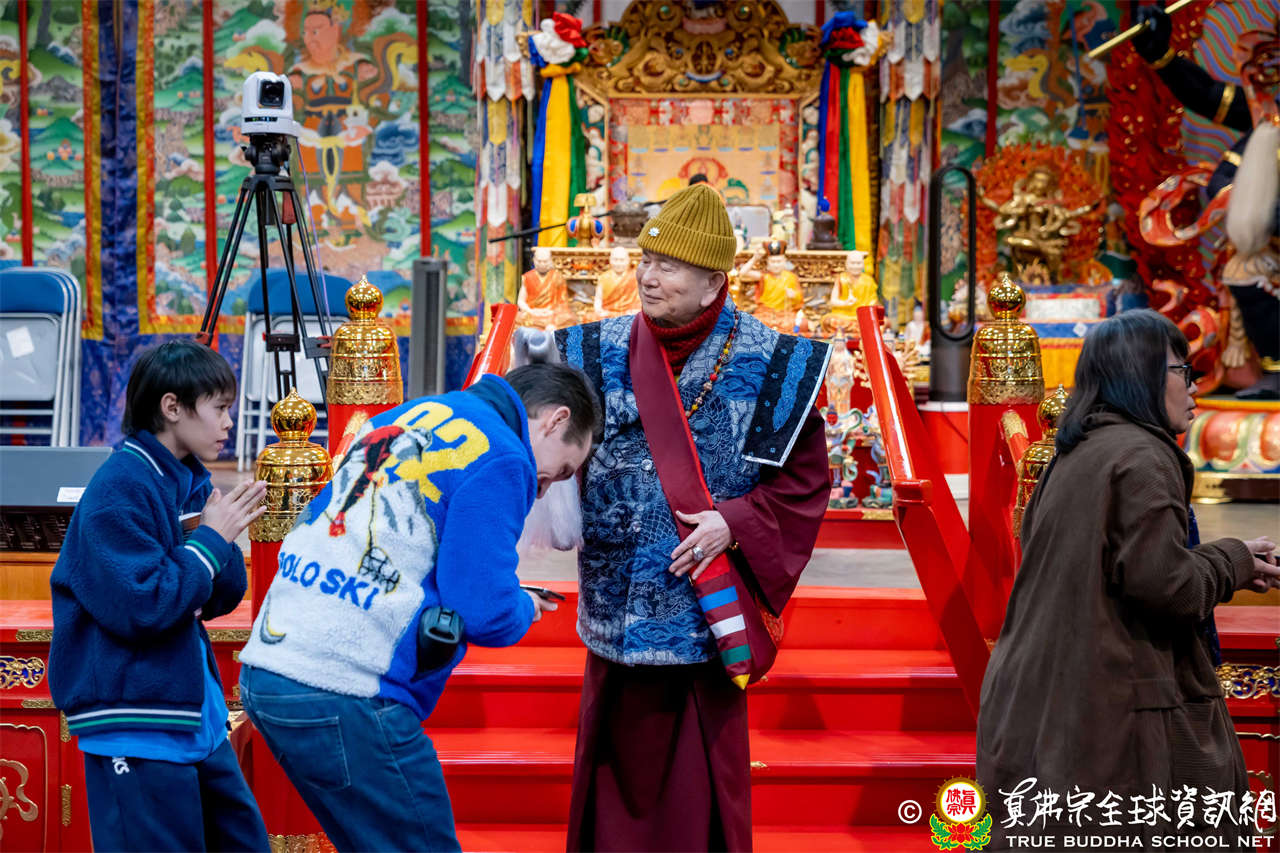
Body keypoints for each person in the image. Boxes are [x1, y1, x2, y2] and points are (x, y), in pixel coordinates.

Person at [556, 183, 833, 851]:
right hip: (618, 598)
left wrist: (734, 520)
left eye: (670, 267)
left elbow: (804, 484)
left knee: (697, 792)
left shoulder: (776, 362)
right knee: (612, 772)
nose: (649, 277)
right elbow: (545, 446)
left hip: (703, 607)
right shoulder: (588, 351)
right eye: (646, 261)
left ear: (714, 283)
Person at [237, 363, 601, 852]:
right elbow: (485, 612)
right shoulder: (504, 455)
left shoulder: (412, 413)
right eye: (563, 470)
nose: (546, 488)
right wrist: (521, 606)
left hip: (270, 669)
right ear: (556, 420)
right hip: (344, 685)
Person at [976, 309, 1280, 849]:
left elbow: (1129, 566)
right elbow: (1167, 586)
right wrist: (1231, 561)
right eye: (1183, 372)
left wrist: (1229, 558)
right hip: (1114, 711)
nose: (1195, 388)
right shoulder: (1142, 458)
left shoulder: (1077, 451)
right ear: (1140, 377)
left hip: (1041, 698)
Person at [48, 340, 270, 852]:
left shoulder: (182, 479)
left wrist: (218, 540)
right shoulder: (119, 487)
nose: (229, 423)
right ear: (172, 407)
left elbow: (216, 597)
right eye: (219, 407)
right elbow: (144, 606)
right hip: (139, 722)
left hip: (191, 715)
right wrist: (210, 541)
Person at [518, 245, 580, 329]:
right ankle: (544, 326)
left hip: (552, 314)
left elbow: (563, 302)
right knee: (517, 318)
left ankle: (545, 326)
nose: (542, 264)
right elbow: (521, 301)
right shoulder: (527, 277)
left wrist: (552, 312)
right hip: (533, 314)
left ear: (550, 261)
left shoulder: (557, 277)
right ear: (534, 260)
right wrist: (531, 311)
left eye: (545, 261)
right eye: (539, 261)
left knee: (569, 318)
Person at [592, 246, 641, 319]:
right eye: (615, 260)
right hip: (608, 313)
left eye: (622, 260)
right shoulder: (604, 277)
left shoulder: (634, 276)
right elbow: (598, 298)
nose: (618, 263)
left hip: (628, 313)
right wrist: (599, 310)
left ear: (628, 261)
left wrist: (636, 310)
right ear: (610, 260)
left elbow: (640, 298)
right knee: (590, 317)